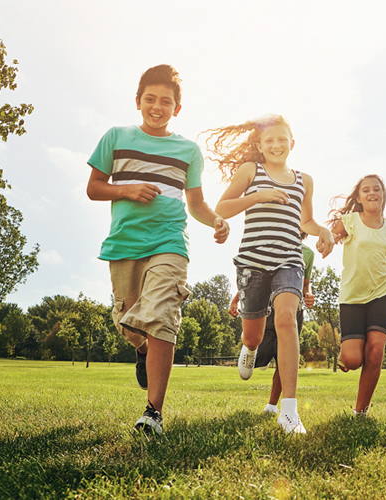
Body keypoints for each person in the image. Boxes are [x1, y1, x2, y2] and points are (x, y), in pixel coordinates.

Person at [86, 64, 229, 436]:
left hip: (169, 242)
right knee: (129, 321)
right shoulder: (116, 137)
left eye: (166, 101)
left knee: (163, 316)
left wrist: (215, 220)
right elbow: (94, 187)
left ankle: (153, 413)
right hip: (125, 245)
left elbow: (196, 203)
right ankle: (141, 348)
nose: (157, 106)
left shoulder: (187, 150)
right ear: (138, 101)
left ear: (176, 108)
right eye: (150, 99)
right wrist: (126, 190)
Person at [204, 114, 334, 434]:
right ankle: (249, 349)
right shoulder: (251, 171)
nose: (276, 145)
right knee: (254, 335)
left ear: (292, 143)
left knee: (287, 318)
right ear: (259, 145)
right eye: (269, 140)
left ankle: (288, 410)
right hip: (253, 262)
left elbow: (306, 223)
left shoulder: (305, 180)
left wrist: (324, 232)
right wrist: (258, 196)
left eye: (282, 139)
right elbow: (221, 209)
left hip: (289, 260)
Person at [328, 174, 386, 417]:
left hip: (380, 295)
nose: (372, 193)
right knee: (353, 360)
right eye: (366, 190)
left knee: (375, 352)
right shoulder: (350, 221)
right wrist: (326, 244)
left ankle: (360, 411)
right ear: (358, 197)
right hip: (352, 297)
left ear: (383, 195)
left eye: (377, 189)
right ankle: (350, 354)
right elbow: (330, 239)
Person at [228, 240, 315, 414]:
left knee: (285, 357)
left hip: (293, 312)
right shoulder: (272, 242)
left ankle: (272, 405)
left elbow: (305, 284)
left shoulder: (308, 253)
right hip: (269, 309)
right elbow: (256, 280)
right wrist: (236, 299)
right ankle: (250, 342)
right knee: (264, 351)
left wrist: (309, 294)